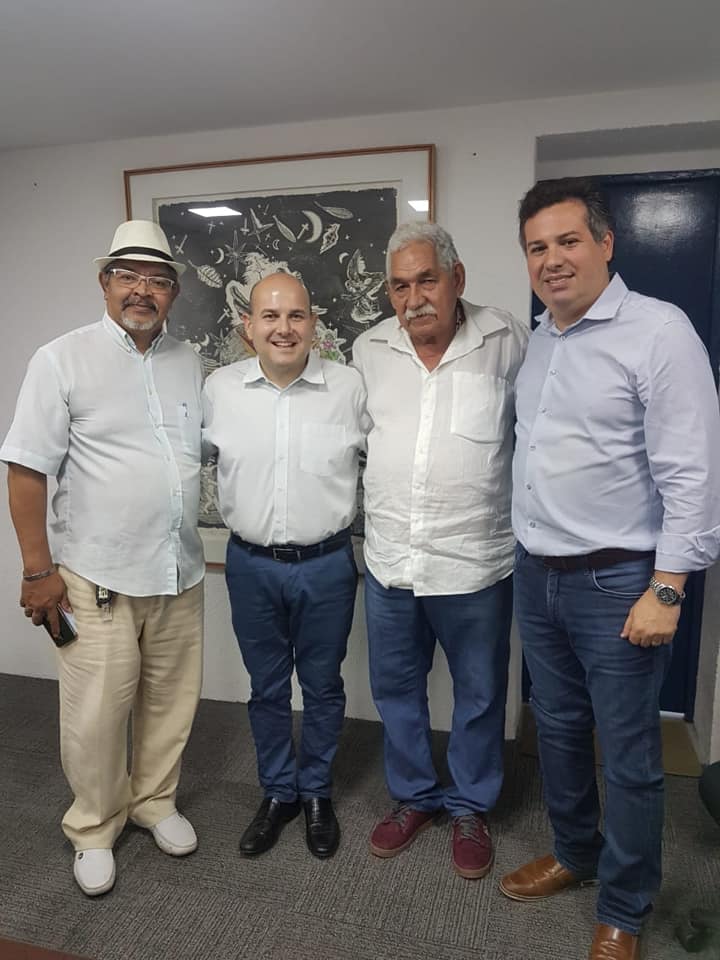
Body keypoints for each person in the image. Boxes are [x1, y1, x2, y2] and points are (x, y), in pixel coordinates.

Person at [502, 177, 720, 960]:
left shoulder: (658, 332)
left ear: (605, 243)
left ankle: (625, 906)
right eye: (537, 247)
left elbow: (693, 474)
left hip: (618, 582)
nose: (552, 259)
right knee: (558, 730)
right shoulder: (541, 341)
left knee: (629, 756)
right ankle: (576, 853)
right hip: (539, 575)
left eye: (568, 241)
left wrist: (668, 588)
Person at [1, 220, 205, 897]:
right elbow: (26, 469)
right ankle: (93, 826)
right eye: (128, 276)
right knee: (96, 716)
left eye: (157, 279)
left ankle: (153, 801)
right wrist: (38, 571)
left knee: (171, 703)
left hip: (178, 572)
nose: (141, 290)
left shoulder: (188, 361)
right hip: (96, 578)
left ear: (173, 292)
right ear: (104, 282)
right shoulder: (60, 359)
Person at [352, 222, 528, 878]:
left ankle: (470, 806)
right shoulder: (369, 348)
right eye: (400, 286)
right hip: (392, 561)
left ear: (457, 278)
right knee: (397, 690)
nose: (414, 298)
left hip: (475, 563)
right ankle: (415, 797)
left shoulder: (508, 340)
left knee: (479, 694)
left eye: (426, 280)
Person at [202, 272, 368, 860]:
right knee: (267, 688)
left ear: (314, 325)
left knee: (322, 686)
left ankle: (316, 790)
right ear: (247, 326)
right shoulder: (219, 390)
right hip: (250, 566)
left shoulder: (349, 388)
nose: (283, 328)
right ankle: (278, 792)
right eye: (270, 316)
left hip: (326, 566)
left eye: (296, 315)